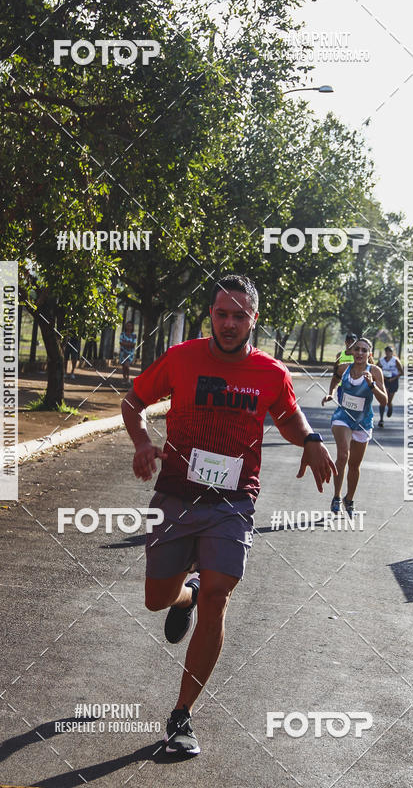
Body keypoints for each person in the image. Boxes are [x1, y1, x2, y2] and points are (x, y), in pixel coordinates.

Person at [121, 275, 336, 757]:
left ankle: (181, 715)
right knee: (156, 598)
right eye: (222, 313)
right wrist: (141, 442)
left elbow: (287, 413)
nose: (230, 323)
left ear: (253, 319)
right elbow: (133, 401)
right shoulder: (181, 359)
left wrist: (312, 440)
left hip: (233, 503)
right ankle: (183, 597)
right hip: (177, 495)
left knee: (219, 598)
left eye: (240, 315)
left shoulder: (270, 372)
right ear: (211, 315)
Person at [321, 337, 387, 517]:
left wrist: (371, 385)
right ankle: (336, 496)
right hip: (342, 418)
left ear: (369, 354)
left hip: (363, 423)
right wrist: (331, 394)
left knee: (354, 465)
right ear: (352, 351)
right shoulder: (344, 368)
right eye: (356, 349)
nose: (359, 353)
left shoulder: (375, 372)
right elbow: (335, 380)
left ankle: (349, 499)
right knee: (342, 455)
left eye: (364, 350)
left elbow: (384, 400)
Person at [377, 346, 404, 427]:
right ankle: (381, 419)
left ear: (392, 352)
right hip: (384, 380)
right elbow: (376, 368)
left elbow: (401, 372)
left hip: (393, 381)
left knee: (388, 400)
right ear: (385, 352)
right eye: (387, 351)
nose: (388, 353)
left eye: (390, 351)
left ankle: (390, 406)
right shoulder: (381, 360)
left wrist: (393, 378)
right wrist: (382, 376)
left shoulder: (395, 361)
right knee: (383, 400)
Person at [118, 321, 137, 385]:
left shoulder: (134, 335)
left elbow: (133, 344)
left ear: (132, 327)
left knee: (127, 366)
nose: (129, 327)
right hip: (123, 353)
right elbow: (121, 343)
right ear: (125, 326)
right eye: (127, 325)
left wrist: (125, 343)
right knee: (123, 367)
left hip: (130, 353)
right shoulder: (122, 334)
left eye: (130, 326)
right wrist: (129, 344)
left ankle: (128, 378)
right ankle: (124, 378)